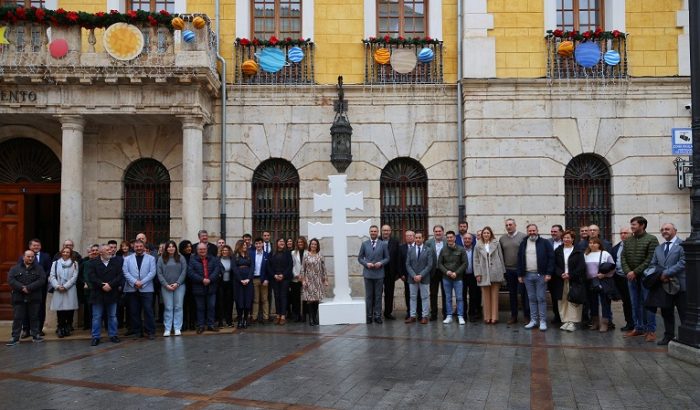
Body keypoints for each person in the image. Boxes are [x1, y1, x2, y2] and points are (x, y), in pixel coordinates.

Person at [622, 216, 660, 342]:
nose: (632, 227)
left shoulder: (652, 239)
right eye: (631, 224)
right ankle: (638, 328)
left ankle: (651, 330)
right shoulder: (628, 240)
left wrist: (635, 272)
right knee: (635, 304)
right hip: (631, 277)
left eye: (634, 224)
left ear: (642, 225)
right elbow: (623, 257)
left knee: (648, 304)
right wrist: (628, 272)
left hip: (646, 277)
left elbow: (650, 259)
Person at [647, 223, 686, 346]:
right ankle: (668, 335)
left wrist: (666, 273)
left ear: (675, 230)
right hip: (663, 285)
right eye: (662, 229)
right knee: (666, 312)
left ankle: (685, 337)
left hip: (680, 285)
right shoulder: (659, 248)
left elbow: (683, 262)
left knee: (683, 312)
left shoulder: (682, 245)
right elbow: (653, 264)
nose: (665, 231)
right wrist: (659, 276)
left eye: (667, 229)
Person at [517, 224, 554, 331]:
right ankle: (533, 320)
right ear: (527, 232)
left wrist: (548, 273)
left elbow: (551, 258)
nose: (532, 232)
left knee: (541, 298)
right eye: (530, 231)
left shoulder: (545, 242)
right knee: (531, 298)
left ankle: (542, 321)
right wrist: (520, 274)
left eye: (534, 230)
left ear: (537, 231)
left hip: (541, 275)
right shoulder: (523, 243)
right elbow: (519, 259)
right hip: (527, 275)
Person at [7, 250, 46, 345]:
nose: (30, 258)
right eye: (28, 256)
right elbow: (11, 280)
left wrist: (29, 288)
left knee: (34, 317)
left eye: (32, 257)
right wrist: (21, 288)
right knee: (17, 318)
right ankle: (15, 338)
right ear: (23, 257)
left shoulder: (39, 268)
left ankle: (36, 335)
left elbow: (42, 280)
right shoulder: (15, 268)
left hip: (34, 297)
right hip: (19, 297)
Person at [86, 244, 122, 346]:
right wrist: (102, 285)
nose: (110, 251)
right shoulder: (93, 263)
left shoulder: (116, 262)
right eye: (107, 250)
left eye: (110, 249)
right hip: (98, 293)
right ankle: (96, 337)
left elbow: (120, 276)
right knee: (97, 317)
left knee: (112, 316)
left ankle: (113, 335)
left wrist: (110, 284)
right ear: (101, 252)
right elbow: (91, 277)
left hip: (112, 292)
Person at [122, 240, 157, 339]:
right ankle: (137, 331)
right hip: (132, 289)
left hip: (147, 289)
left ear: (144, 246)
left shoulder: (151, 258)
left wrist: (142, 282)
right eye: (137, 246)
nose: (139, 248)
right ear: (133, 247)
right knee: (134, 311)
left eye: (141, 246)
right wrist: (135, 282)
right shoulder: (127, 259)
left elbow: (152, 272)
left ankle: (150, 331)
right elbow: (125, 272)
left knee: (148, 310)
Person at [553, 230, 586, 332]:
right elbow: (554, 265)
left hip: (574, 280)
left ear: (572, 239)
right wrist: (560, 274)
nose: (566, 239)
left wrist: (570, 275)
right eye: (564, 237)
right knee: (562, 301)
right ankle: (565, 321)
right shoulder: (558, 250)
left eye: (568, 238)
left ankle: (572, 322)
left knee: (573, 300)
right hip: (561, 279)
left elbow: (581, 267)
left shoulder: (578, 251)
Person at [358, 225, 390, 324]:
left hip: (379, 274)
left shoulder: (383, 244)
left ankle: (377, 315)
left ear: (378, 232)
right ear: (369, 232)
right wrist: (366, 264)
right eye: (371, 231)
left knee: (378, 296)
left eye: (375, 231)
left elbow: (387, 258)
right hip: (368, 274)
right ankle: (369, 316)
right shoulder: (364, 244)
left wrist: (381, 263)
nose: (373, 233)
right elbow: (360, 258)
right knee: (369, 296)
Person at [474, 226, 506, 325]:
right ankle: (487, 317)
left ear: (491, 234)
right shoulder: (478, 245)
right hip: (483, 273)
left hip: (495, 272)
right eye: (484, 233)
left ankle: (494, 317)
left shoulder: (496, 243)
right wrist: (477, 274)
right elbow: (476, 260)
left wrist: (502, 272)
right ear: (482, 235)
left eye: (488, 233)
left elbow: (501, 257)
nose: (486, 235)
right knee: (485, 296)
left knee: (495, 296)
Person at [499, 218, 528, 324]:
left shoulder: (523, 237)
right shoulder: (502, 239)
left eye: (510, 224)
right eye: (506, 225)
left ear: (515, 225)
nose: (508, 226)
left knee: (524, 294)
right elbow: (501, 254)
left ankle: (526, 316)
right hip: (509, 270)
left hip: (521, 270)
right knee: (512, 294)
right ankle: (513, 316)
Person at [21, 239, 51, 338]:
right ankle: (26, 330)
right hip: (26, 287)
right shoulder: (24, 256)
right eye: (34, 245)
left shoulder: (46, 256)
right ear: (30, 246)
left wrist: (39, 281)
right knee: (25, 308)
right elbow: (19, 269)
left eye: (38, 245)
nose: (36, 247)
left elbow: (49, 270)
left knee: (40, 308)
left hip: (41, 287)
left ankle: (38, 329)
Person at [188, 243, 222, 333]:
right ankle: (201, 326)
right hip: (198, 287)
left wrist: (209, 279)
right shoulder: (192, 260)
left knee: (211, 306)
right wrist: (202, 280)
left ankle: (211, 325)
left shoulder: (213, 259)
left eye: (204, 249)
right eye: (200, 249)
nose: (202, 251)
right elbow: (191, 273)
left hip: (211, 286)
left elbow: (217, 270)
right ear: (197, 250)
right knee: (200, 307)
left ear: (207, 250)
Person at [584, 237, 615, 332]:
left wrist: (604, 275)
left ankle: (605, 323)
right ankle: (595, 322)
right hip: (590, 282)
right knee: (593, 302)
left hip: (602, 281)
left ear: (599, 244)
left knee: (604, 302)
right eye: (590, 243)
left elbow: (613, 267)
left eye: (594, 243)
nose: (592, 244)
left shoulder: (605, 254)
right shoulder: (586, 254)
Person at [157, 240, 187, 336]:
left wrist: (177, 283)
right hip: (166, 287)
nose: (171, 248)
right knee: (168, 307)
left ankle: (177, 327)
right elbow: (159, 273)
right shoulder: (161, 259)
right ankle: (168, 328)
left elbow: (184, 271)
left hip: (179, 286)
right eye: (169, 247)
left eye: (172, 246)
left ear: (175, 248)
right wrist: (166, 284)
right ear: (166, 248)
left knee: (178, 306)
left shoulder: (181, 258)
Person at [48, 247, 79, 338]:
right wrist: (57, 286)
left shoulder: (75, 264)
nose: (65, 253)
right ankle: (60, 328)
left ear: (70, 253)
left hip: (70, 289)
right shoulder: (56, 263)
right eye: (64, 252)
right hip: (58, 289)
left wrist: (66, 286)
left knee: (69, 310)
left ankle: (67, 327)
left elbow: (74, 277)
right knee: (60, 309)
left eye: (67, 252)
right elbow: (52, 276)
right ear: (61, 253)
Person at [438, 231, 467, 325]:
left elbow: (465, 263)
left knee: (459, 298)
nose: (450, 239)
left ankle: (460, 316)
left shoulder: (461, 249)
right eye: (448, 237)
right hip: (446, 278)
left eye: (451, 237)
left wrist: (456, 273)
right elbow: (440, 264)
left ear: (455, 238)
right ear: (446, 238)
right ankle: (449, 316)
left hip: (458, 278)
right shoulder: (443, 250)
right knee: (448, 298)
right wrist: (447, 272)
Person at [405, 232, 433, 324]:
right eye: (416, 238)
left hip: (424, 278)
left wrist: (421, 275)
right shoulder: (410, 250)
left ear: (423, 238)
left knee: (424, 297)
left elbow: (429, 265)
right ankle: (412, 316)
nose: (417, 239)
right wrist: (414, 275)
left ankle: (425, 316)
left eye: (419, 238)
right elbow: (407, 264)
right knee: (412, 297)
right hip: (412, 278)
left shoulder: (428, 250)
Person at [300, 238, 328, 326]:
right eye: (312, 244)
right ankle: (311, 319)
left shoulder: (320, 255)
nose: (313, 246)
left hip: (318, 281)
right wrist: (303, 280)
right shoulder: (306, 255)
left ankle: (315, 318)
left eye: (315, 244)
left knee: (316, 300)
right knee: (310, 300)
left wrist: (326, 280)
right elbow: (302, 269)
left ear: (317, 246)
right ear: (310, 245)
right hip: (308, 281)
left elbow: (324, 268)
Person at [612, 227, 634, 332]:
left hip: (632, 277)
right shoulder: (616, 247)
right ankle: (629, 323)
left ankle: (638, 323)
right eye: (621, 233)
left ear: (631, 234)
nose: (623, 235)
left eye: (626, 233)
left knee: (634, 301)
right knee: (626, 301)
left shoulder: (635, 245)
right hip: (620, 278)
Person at [267, 238, 293, 325]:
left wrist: (283, 275)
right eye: (280, 241)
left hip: (285, 278)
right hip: (274, 278)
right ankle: (278, 315)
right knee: (277, 296)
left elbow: (290, 266)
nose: (282, 243)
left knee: (283, 296)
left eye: (283, 241)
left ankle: (283, 316)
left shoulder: (288, 253)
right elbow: (268, 266)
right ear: (277, 243)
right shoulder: (272, 253)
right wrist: (274, 275)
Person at [425, 225, 447, 321]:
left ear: (443, 232)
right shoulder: (428, 243)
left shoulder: (447, 242)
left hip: (444, 271)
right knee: (433, 294)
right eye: (436, 231)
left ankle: (446, 313)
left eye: (439, 231)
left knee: (445, 293)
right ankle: (433, 314)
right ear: (433, 232)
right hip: (433, 272)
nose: (438, 233)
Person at [458, 227, 480, 322]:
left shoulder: (476, 250)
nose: (467, 240)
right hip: (462, 276)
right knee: (462, 296)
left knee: (473, 296)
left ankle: (472, 314)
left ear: (472, 240)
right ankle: (463, 315)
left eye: (469, 239)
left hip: (473, 275)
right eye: (465, 239)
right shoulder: (459, 250)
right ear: (463, 240)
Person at [399, 230, 422, 320]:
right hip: (407, 276)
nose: (409, 237)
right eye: (407, 236)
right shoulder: (401, 248)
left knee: (419, 295)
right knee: (409, 295)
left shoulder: (419, 247)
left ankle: (420, 313)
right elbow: (399, 262)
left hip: (419, 276)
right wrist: (401, 274)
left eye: (411, 236)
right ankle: (409, 312)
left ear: (414, 237)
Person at [232, 240, 254, 328]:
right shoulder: (235, 256)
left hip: (248, 281)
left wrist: (248, 279)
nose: (245, 246)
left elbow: (252, 267)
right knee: (239, 300)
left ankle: (245, 319)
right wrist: (240, 279)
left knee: (247, 300)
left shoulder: (249, 255)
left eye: (246, 245)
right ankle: (240, 319)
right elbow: (234, 268)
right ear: (239, 246)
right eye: (243, 245)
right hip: (238, 282)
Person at [381, 224, 401, 321]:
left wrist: (397, 273)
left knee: (389, 293)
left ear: (390, 231)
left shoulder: (395, 242)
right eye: (384, 230)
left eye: (387, 230)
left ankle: (388, 313)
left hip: (390, 272)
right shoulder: (378, 240)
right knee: (377, 293)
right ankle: (376, 312)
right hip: (378, 271)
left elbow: (398, 258)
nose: (386, 232)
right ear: (381, 231)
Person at [80, 244, 100, 330]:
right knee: (89, 308)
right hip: (88, 289)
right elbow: (80, 275)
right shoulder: (85, 263)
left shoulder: (102, 262)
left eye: (96, 250)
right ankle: (90, 327)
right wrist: (84, 282)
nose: (94, 252)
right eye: (93, 250)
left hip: (100, 289)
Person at [250, 237, 270, 323]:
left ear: (262, 244)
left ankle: (266, 317)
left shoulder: (266, 255)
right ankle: (254, 317)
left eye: (260, 243)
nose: (258, 245)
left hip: (263, 279)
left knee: (264, 299)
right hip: (254, 279)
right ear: (255, 245)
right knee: (255, 299)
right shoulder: (251, 254)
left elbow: (269, 269)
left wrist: (267, 279)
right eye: (256, 243)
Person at [548, 225, 564, 325]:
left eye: (555, 231)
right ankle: (557, 316)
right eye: (552, 231)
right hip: (552, 275)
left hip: (563, 274)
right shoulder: (548, 242)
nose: (553, 233)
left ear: (561, 232)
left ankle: (564, 316)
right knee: (554, 296)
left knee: (564, 296)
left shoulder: (566, 241)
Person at [179, 240, 196, 331]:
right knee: (183, 304)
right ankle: (184, 323)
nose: (189, 248)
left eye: (190, 246)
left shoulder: (194, 257)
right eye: (186, 247)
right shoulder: (179, 257)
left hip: (193, 283)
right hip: (183, 283)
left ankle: (192, 323)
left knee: (193, 304)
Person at [290, 237, 307, 323]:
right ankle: (297, 315)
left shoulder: (308, 253)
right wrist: (295, 274)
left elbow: (308, 266)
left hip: (305, 278)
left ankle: (304, 315)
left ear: (304, 243)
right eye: (298, 242)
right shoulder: (293, 252)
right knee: (295, 298)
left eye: (301, 242)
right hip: (295, 277)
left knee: (305, 297)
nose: (300, 243)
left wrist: (303, 276)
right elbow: (292, 265)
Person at [218, 244, 235, 327]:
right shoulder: (217, 260)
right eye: (223, 250)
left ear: (229, 252)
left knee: (229, 303)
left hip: (230, 284)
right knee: (220, 303)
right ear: (221, 251)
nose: (225, 252)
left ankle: (229, 321)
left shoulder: (232, 260)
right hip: (220, 284)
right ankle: (220, 321)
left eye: (226, 250)